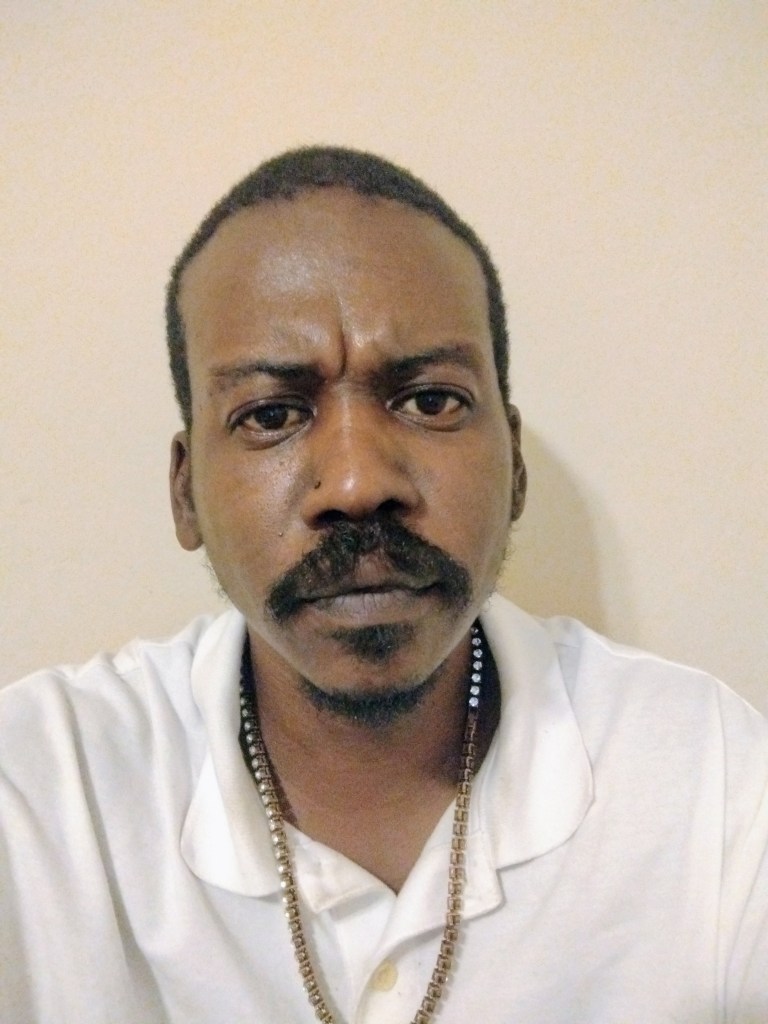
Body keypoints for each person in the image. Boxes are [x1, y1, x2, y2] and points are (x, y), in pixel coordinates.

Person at [1, 146, 766, 1024]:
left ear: (516, 466)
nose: (359, 482)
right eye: (271, 414)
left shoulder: (709, 781)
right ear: (186, 495)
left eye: (431, 401)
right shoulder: (40, 794)